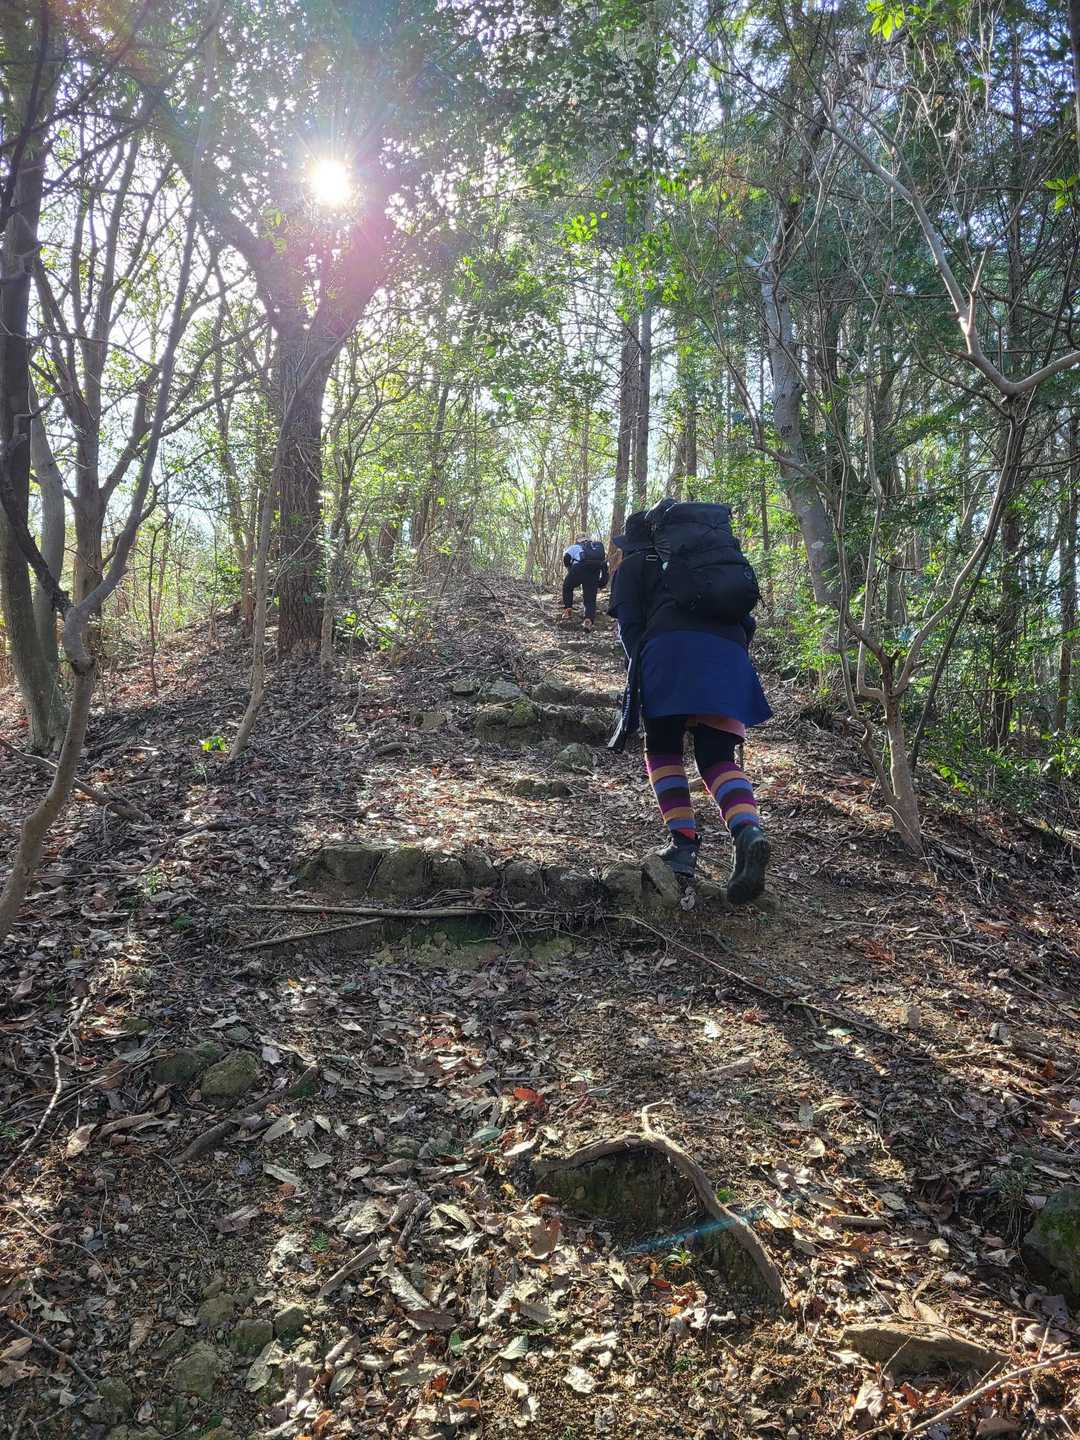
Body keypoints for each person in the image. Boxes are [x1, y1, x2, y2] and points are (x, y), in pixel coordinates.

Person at [608, 508, 772, 904]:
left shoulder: (634, 567)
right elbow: (746, 623)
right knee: (716, 758)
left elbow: (630, 628)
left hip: (667, 653)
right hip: (729, 658)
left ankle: (682, 846)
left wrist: (645, 673)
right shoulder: (710, 564)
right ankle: (748, 830)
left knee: (662, 749)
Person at [561, 535, 609, 631]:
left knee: (567, 587)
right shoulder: (597, 549)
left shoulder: (575, 547)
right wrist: (601, 582)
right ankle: (588, 620)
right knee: (590, 599)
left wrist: (570, 569)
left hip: (578, 569)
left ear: (578, 540)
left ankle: (568, 609)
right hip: (593, 572)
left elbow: (566, 559)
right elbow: (604, 565)